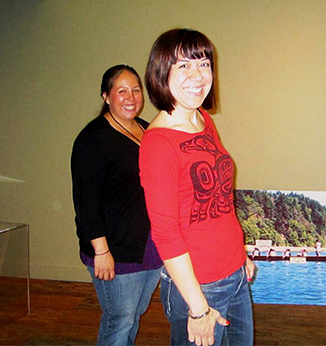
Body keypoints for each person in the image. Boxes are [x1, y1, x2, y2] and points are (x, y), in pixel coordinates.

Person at [139, 28, 255, 346]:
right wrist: (199, 309)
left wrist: (239, 253)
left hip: (234, 274)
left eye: (204, 64)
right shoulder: (159, 143)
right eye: (184, 65)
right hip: (199, 287)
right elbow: (165, 233)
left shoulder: (202, 119)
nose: (197, 75)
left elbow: (219, 199)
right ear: (161, 73)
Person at [71, 65, 163, 346]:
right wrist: (102, 251)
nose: (131, 97)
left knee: (134, 314)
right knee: (120, 318)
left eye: (135, 90)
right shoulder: (93, 139)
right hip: (114, 249)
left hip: (147, 244)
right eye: (121, 91)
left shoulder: (147, 129)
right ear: (106, 96)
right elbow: (86, 202)